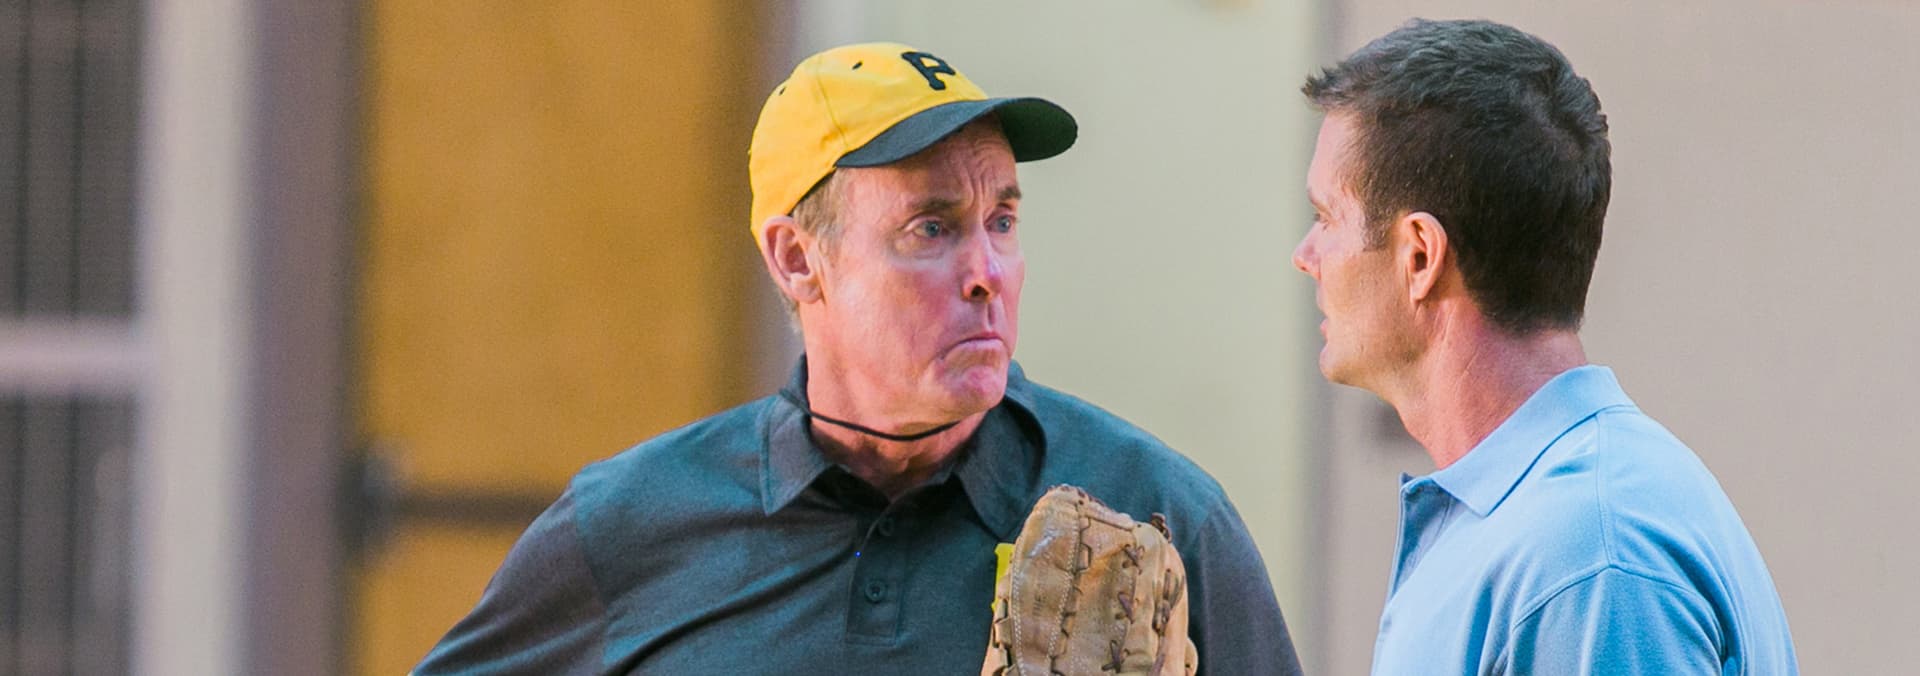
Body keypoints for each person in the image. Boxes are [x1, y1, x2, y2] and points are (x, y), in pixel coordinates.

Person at [415, 42, 1303, 674]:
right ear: (798, 260)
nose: (987, 273)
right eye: (932, 228)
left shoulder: (1156, 513)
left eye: (1002, 220)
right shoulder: (630, 523)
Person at [1293, 18, 1797, 674]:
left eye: (1326, 217)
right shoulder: (1539, 529)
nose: (1306, 255)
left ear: (1419, 255)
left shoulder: (1588, 560)